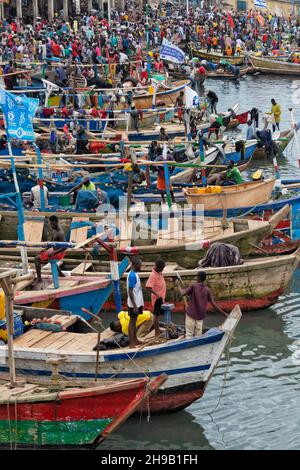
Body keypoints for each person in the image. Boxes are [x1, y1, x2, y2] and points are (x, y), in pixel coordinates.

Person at [177, 271, 227, 338]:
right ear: (204, 279)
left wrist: (178, 285)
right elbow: (214, 304)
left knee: (189, 335)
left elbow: (182, 293)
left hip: (191, 315)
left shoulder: (193, 286)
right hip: (200, 317)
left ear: (198, 278)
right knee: (198, 336)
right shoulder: (207, 290)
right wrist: (224, 313)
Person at [34, 215, 66, 286]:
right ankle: (60, 274)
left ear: (57, 222)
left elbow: (65, 246)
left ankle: (39, 280)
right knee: (45, 254)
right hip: (56, 253)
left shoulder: (60, 233)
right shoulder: (54, 229)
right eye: (51, 224)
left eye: (53, 224)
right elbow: (52, 242)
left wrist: (54, 252)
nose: (52, 226)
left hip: (59, 253)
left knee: (37, 259)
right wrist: (45, 249)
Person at [145, 258, 166, 336]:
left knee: (160, 314)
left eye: (163, 268)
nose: (162, 270)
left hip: (161, 298)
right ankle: (157, 332)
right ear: (157, 267)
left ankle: (158, 329)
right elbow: (148, 287)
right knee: (156, 315)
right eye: (161, 268)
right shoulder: (153, 275)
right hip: (157, 299)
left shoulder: (159, 273)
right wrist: (156, 294)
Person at [127, 256, 144, 348]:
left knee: (135, 320)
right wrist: (134, 306)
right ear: (136, 265)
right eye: (140, 265)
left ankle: (135, 339)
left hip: (137, 302)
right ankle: (131, 343)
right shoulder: (132, 275)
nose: (141, 267)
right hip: (134, 303)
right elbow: (130, 291)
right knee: (132, 322)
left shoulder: (134, 274)